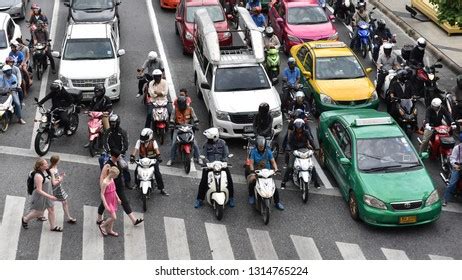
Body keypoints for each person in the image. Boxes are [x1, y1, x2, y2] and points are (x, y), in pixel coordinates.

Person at [97, 149, 144, 226]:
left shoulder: (118, 161)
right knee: (103, 204)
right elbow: (102, 176)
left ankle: (134, 220)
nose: (120, 157)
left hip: (119, 186)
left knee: (125, 201)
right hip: (110, 187)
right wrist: (102, 187)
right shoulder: (108, 165)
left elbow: (124, 169)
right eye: (118, 156)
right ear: (113, 156)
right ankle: (99, 219)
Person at [195, 127, 235, 208]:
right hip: (210, 166)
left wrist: (224, 160)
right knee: (203, 181)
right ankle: (199, 199)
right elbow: (204, 155)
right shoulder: (206, 144)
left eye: (209, 138)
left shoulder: (223, 143)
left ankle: (231, 197)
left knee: (229, 180)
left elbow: (226, 154)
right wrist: (207, 163)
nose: (208, 140)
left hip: (221, 165)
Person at [22, 159, 62, 232]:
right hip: (40, 196)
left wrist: (59, 179)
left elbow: (52, 182)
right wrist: (50, 196)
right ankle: (25, 219)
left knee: (51, 209)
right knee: (38, 212)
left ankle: (53, 227)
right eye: (45, 164)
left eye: (47, 163)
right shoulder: (38, 176)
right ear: (40, 166)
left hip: (48, 194)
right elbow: (38, 190)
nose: (47, 165)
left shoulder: (47, 171)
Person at [281, 119, 320, 189]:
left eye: (300, 128)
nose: (299, 130)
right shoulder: (292, 134)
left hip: (304, 150)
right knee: (290, 166)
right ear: (295, 128)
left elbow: (310, 140)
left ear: (303, 127)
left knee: (312, 166)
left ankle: (316, 182)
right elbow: (289, 143)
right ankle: (283, 182)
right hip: (295, 151)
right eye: (297, 128)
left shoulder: (306, 132)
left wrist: (314, 148)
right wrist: (290, 150)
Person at [247, 136, 284, 210]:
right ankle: (251, 196)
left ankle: (277, 202)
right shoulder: (253, 152)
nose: (261, 148)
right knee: (252, 181)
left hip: (267, 171)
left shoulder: (268, 151)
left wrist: (276, 169)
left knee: (274, 187)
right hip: (257, 171)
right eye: (260, 147)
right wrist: (252, 171)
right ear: (257, 146)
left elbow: (273, 161)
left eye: (262, 147)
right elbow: (251, 163)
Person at [130, 128, 169, 195]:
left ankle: (162, 188)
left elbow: (156, 149)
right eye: (142, 137)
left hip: (152, 160)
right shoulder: (139, 141)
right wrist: (132, 156)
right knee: (136, 171)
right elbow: (135, 149)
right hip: (142, 159)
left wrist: (158, 156)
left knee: (157, 173)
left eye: (144, 137)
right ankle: (137, 184)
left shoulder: (153, 142)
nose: (143, 139)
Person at [167, 95, 200, 166]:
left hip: (188, 127)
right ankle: (171, 159)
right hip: (178, 128)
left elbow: (194, 117)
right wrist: (172, 124)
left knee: (194, 143)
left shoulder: (190, 109)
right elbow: (172, 118)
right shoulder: (175, 110)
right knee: (174, 143)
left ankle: (198, 158)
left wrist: (196, 123)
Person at [101, 114, 131, 187]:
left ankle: (127, 182)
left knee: (125, 167)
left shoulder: (122, 132)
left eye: (114, 122)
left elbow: (125, 144)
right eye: (111, 122)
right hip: (111, 154)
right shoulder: (108, 132)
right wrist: (108, 152)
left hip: (121, 154)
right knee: (103, 162)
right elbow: (105, 142)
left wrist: (120, 154)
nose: (112, 124)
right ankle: (103, 179)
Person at [49, 155, 76, 224]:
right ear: (56, 161)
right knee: (49, 203)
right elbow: (54, 183)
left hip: (58, 188)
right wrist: (61, 179)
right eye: (59, 160)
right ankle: (36, 215)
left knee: (64, 202)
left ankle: (69, 217)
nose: (60, 161)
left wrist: (60, 176)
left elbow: (55, 178)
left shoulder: (54, 168)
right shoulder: (52, 170)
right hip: (55, 189)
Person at [98, 166, 122, 237]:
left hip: (113, 199)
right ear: (112, 174)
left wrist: (117, 198)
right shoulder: (105, 182)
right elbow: (102, 194)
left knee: (112, 216)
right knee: (114, 217)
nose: (116, 177)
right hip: (108, 201)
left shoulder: (111, 179)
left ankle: (110, 230)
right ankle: (103, 226)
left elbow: (114, 190)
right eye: (116, 175)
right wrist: (105, 204)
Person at [443, 139, 462, 206]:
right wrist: (455, 165)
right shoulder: (457, 148)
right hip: (458, 166)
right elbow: (452, 158)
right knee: (452, 183)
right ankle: (445, 199)